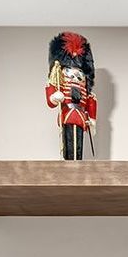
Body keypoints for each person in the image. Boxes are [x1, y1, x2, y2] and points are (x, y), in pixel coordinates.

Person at [45, 31, 97, 160]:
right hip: (67, 113)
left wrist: (92, 120)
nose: (75, 76)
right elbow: (51, 99)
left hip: (80, 117)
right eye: (69, 72)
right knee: (68, 145)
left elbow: (90, 101)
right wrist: (54, 97)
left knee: (78, 148)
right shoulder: (60, 79)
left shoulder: (84, 83)